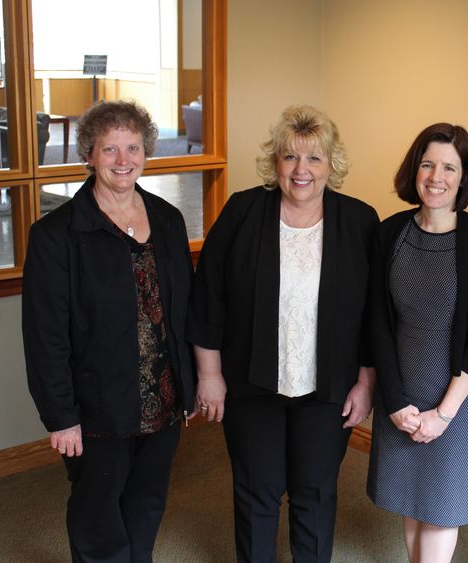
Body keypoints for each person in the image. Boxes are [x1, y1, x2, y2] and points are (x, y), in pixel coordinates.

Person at [188, 104, 378, 563]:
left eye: (313, 158)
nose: (301, 170)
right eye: (290, 157)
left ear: (331, 164)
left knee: (315, 494)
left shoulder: (358, 221)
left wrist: (367, 382)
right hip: (252, 384)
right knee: (257, 492)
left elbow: (375, 312)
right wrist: (209, 375)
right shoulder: (243, 211)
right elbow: (208, 295)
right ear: (275, 162)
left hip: (327, 387)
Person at [22, 100, 195, 562]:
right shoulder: (56, 235)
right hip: (97, 408)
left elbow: (182, 312)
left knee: (146, 504)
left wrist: (193, 385)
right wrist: (60, 415)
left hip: (163, 399)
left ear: (146, 151)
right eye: (110, 149)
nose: (123, 160)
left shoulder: (167, 219)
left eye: (133, 147)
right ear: (89, 155)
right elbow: (45, 338)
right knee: (98, 516)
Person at [366, 123, 468, 563]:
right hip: (400, 398)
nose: (436, 176)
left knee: (442, 511)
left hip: (457, 402)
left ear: (464, 177)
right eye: (427, 164)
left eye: (449, 167)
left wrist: (443, 414)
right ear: (415, 169)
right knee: (412, 503)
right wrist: (393, 401)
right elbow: (376, 324)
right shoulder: (390, 234)